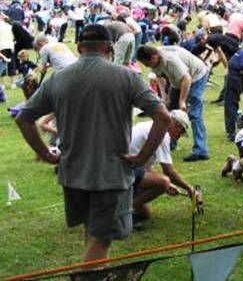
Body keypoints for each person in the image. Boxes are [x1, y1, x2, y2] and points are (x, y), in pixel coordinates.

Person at [15, 24, 170, 263]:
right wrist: (141, 158)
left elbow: (24, 118)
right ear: (109, 48)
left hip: (73, 174)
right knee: (102, 238)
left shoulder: (59, 79)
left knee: (93, 230)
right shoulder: (128, 77)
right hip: (110, 175)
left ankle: (98, 275)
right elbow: (163, 116)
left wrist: (45, 153)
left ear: (78, 47)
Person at [136, 45, 211, 162]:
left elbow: (187, 79)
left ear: (154, 56)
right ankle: (170, 143)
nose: (148, 66)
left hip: (196, 76)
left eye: (148, 63)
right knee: (168, 113)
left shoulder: (170, 60)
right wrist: (164, 96)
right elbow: (159, 77)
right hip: (177, 81)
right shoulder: (154, 61)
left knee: (195, 114)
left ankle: (201, 150)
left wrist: (182, 101)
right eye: (145, 65)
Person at [131, 110, 197, 227]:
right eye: (181, 132)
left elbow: (146, 168)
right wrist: (189, 188)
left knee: (145, 213)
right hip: (122, 170)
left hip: (126, 169)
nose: (179, 137)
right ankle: (121, 213)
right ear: (176, 125)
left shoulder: (152, 125)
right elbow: (169, 172)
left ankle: (121, 205)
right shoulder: (162, 133)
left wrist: (168, 185)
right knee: (163, 182)